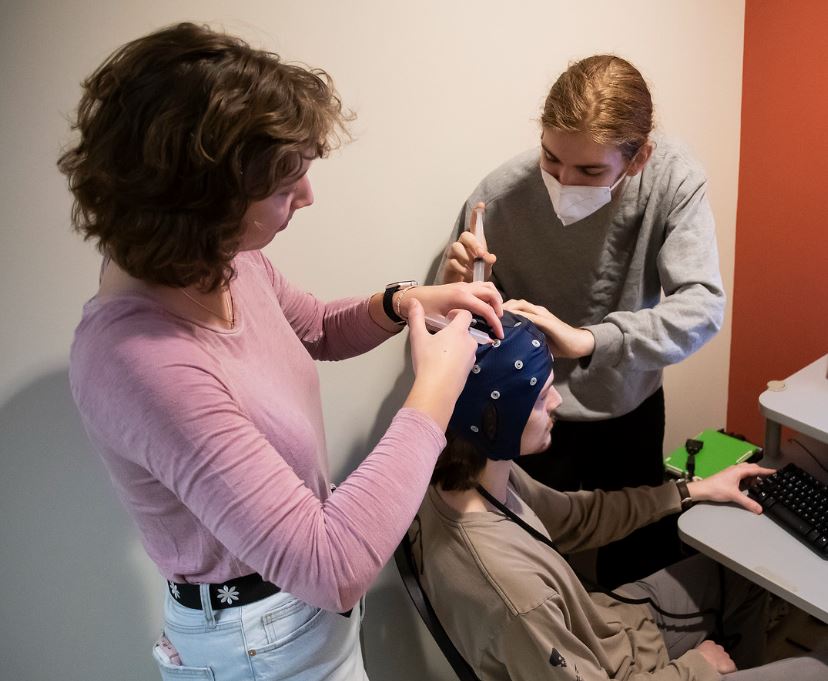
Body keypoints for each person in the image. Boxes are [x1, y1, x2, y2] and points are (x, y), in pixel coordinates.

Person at [57, 22, 505, 681]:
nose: (307, 196)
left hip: (294, 614)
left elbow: (317, 327)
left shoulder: (220, 263)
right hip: (258, 644)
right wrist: (434, 390)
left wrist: (407, 299)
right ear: (200, 200)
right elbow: (335, 566)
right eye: (282, 184)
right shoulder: (141, 363)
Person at [436, 54, 726, 587]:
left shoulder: (672, 179)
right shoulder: (497, 196)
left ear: (638, 158)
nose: (564, 181)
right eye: (550, 159)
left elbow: (703, 306)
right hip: (530, 416)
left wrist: (592, 340)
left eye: (589, 171)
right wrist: (455, 289)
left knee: (637, 561)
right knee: (540, 574)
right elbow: (453, 335)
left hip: (629, 402)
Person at [410, 313, 828, 680]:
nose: (557, 402)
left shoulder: (465, 474)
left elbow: (580, 517)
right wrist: (697, 667)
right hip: (612, 665)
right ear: (495, 422)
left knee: (742, 577)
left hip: (604, 632)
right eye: (541, 398)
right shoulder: (516, 597)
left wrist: (691, 489)